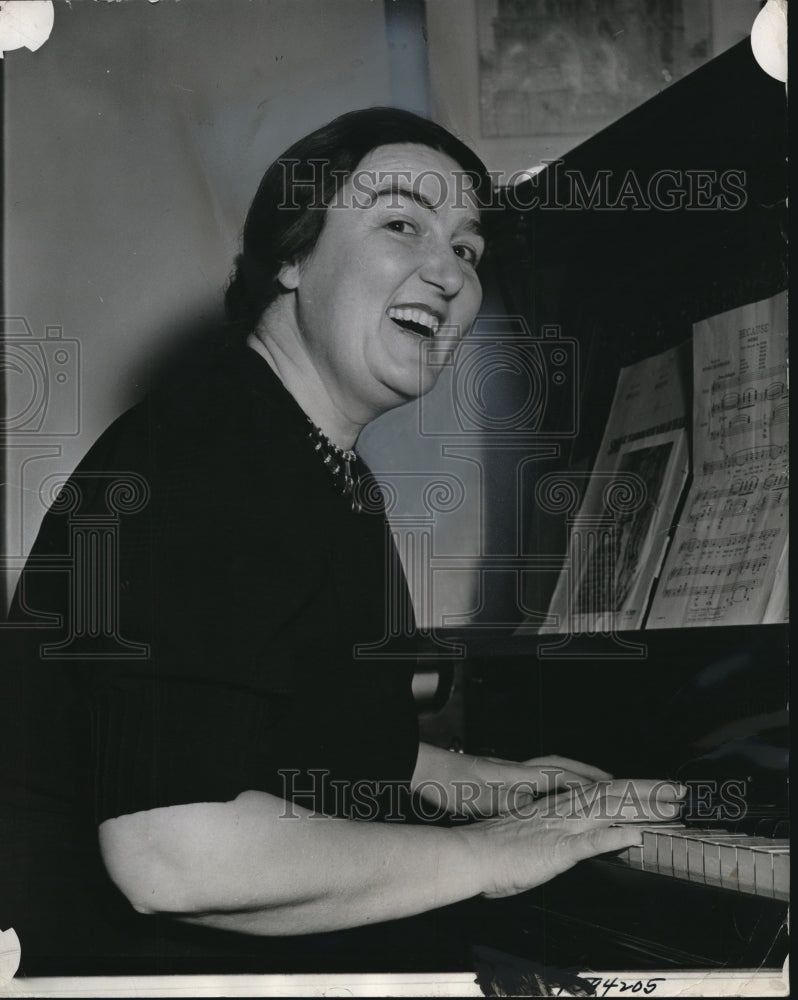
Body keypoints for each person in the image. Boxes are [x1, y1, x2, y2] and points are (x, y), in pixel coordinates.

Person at [0, 108, 683, 975]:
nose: (449, 272)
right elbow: (171, 855)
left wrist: (474, 781)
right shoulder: (211, 453)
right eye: (402, 225)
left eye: (468, 248)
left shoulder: (307, 456)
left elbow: (282, 734)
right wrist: (490, 854)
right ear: (292, 257)